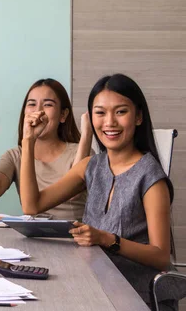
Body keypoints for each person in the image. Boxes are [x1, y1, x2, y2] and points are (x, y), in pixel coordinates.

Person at [19, 74, 179, 310]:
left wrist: (107, 239)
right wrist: (28, 139)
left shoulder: (150, 177)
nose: (109, 122)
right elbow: (32, 205)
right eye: (100, 113)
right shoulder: (91, 166)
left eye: (121, 112)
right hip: (94, 289)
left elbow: (160, 257)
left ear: (138, 117)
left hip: (136, 297)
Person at [0, 78, 93, 220]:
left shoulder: (79, 151)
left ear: (63, 115)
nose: (38, 111)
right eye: (32, 104)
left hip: (73, 237)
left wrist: (87, 135)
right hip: (33, 236)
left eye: (48, 105)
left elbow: (73, 190)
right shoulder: (15, 155)